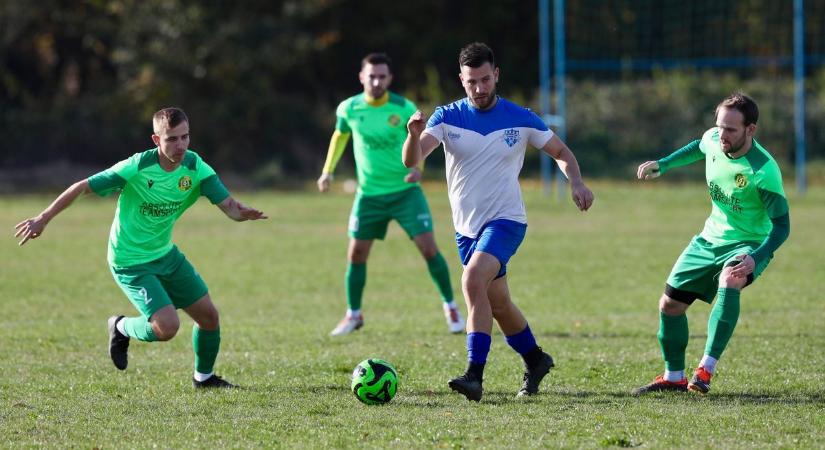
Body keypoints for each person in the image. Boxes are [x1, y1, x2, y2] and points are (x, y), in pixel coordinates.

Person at [15, 107, 267, 389]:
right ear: (155, 140)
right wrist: (43, 218)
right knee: (168, 328)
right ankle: (120, 326)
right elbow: (81, 187)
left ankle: (204, 379)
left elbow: (230, 208)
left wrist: (242, 213)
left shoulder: (195, 168)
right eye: (171, 138)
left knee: (209, 317)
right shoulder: (136, 167)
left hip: (165, 254)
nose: (180, 145)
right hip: (130, 261)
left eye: (185, 137)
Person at [402, 42, 594, 401]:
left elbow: (561, 152)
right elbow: (412, 160)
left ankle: (474, 375)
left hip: (506, 221)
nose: (479, 88)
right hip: (466, 230)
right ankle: (536, 360)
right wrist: (413, 136)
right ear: (462, 80)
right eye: (472, 81)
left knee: (473, 279)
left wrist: (576, 181)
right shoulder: (446, 117)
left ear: (496, 76)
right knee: (499, 304)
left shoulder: (520, 117)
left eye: (485, 80)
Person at [633, 93, 790, 395]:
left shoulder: (763, 170)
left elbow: (783, 226)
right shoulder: (713, 138)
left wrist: (757, 257)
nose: (722, 135)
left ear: (750, 130)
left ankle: (706, 369)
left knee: (730, 280)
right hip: (709, 238)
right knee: (670, 305)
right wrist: (664, 164)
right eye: (720, 126)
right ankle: (674, 376)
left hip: (749, 242)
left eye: (731, 129)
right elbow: (699, 146)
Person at [318, 52, 463, 336]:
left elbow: (418, 139)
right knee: (356, 254)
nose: (376, 81)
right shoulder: (349, 108)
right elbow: (340, 137)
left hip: (405, 192)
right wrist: (328, 171)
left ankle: (451, 307)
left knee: (429, 248)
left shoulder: (403, 107)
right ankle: (353, 314)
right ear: (361, 77)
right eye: (371, 76)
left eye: (382, 76)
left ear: (390, 79)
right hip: (369, 195)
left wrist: (419, 168)